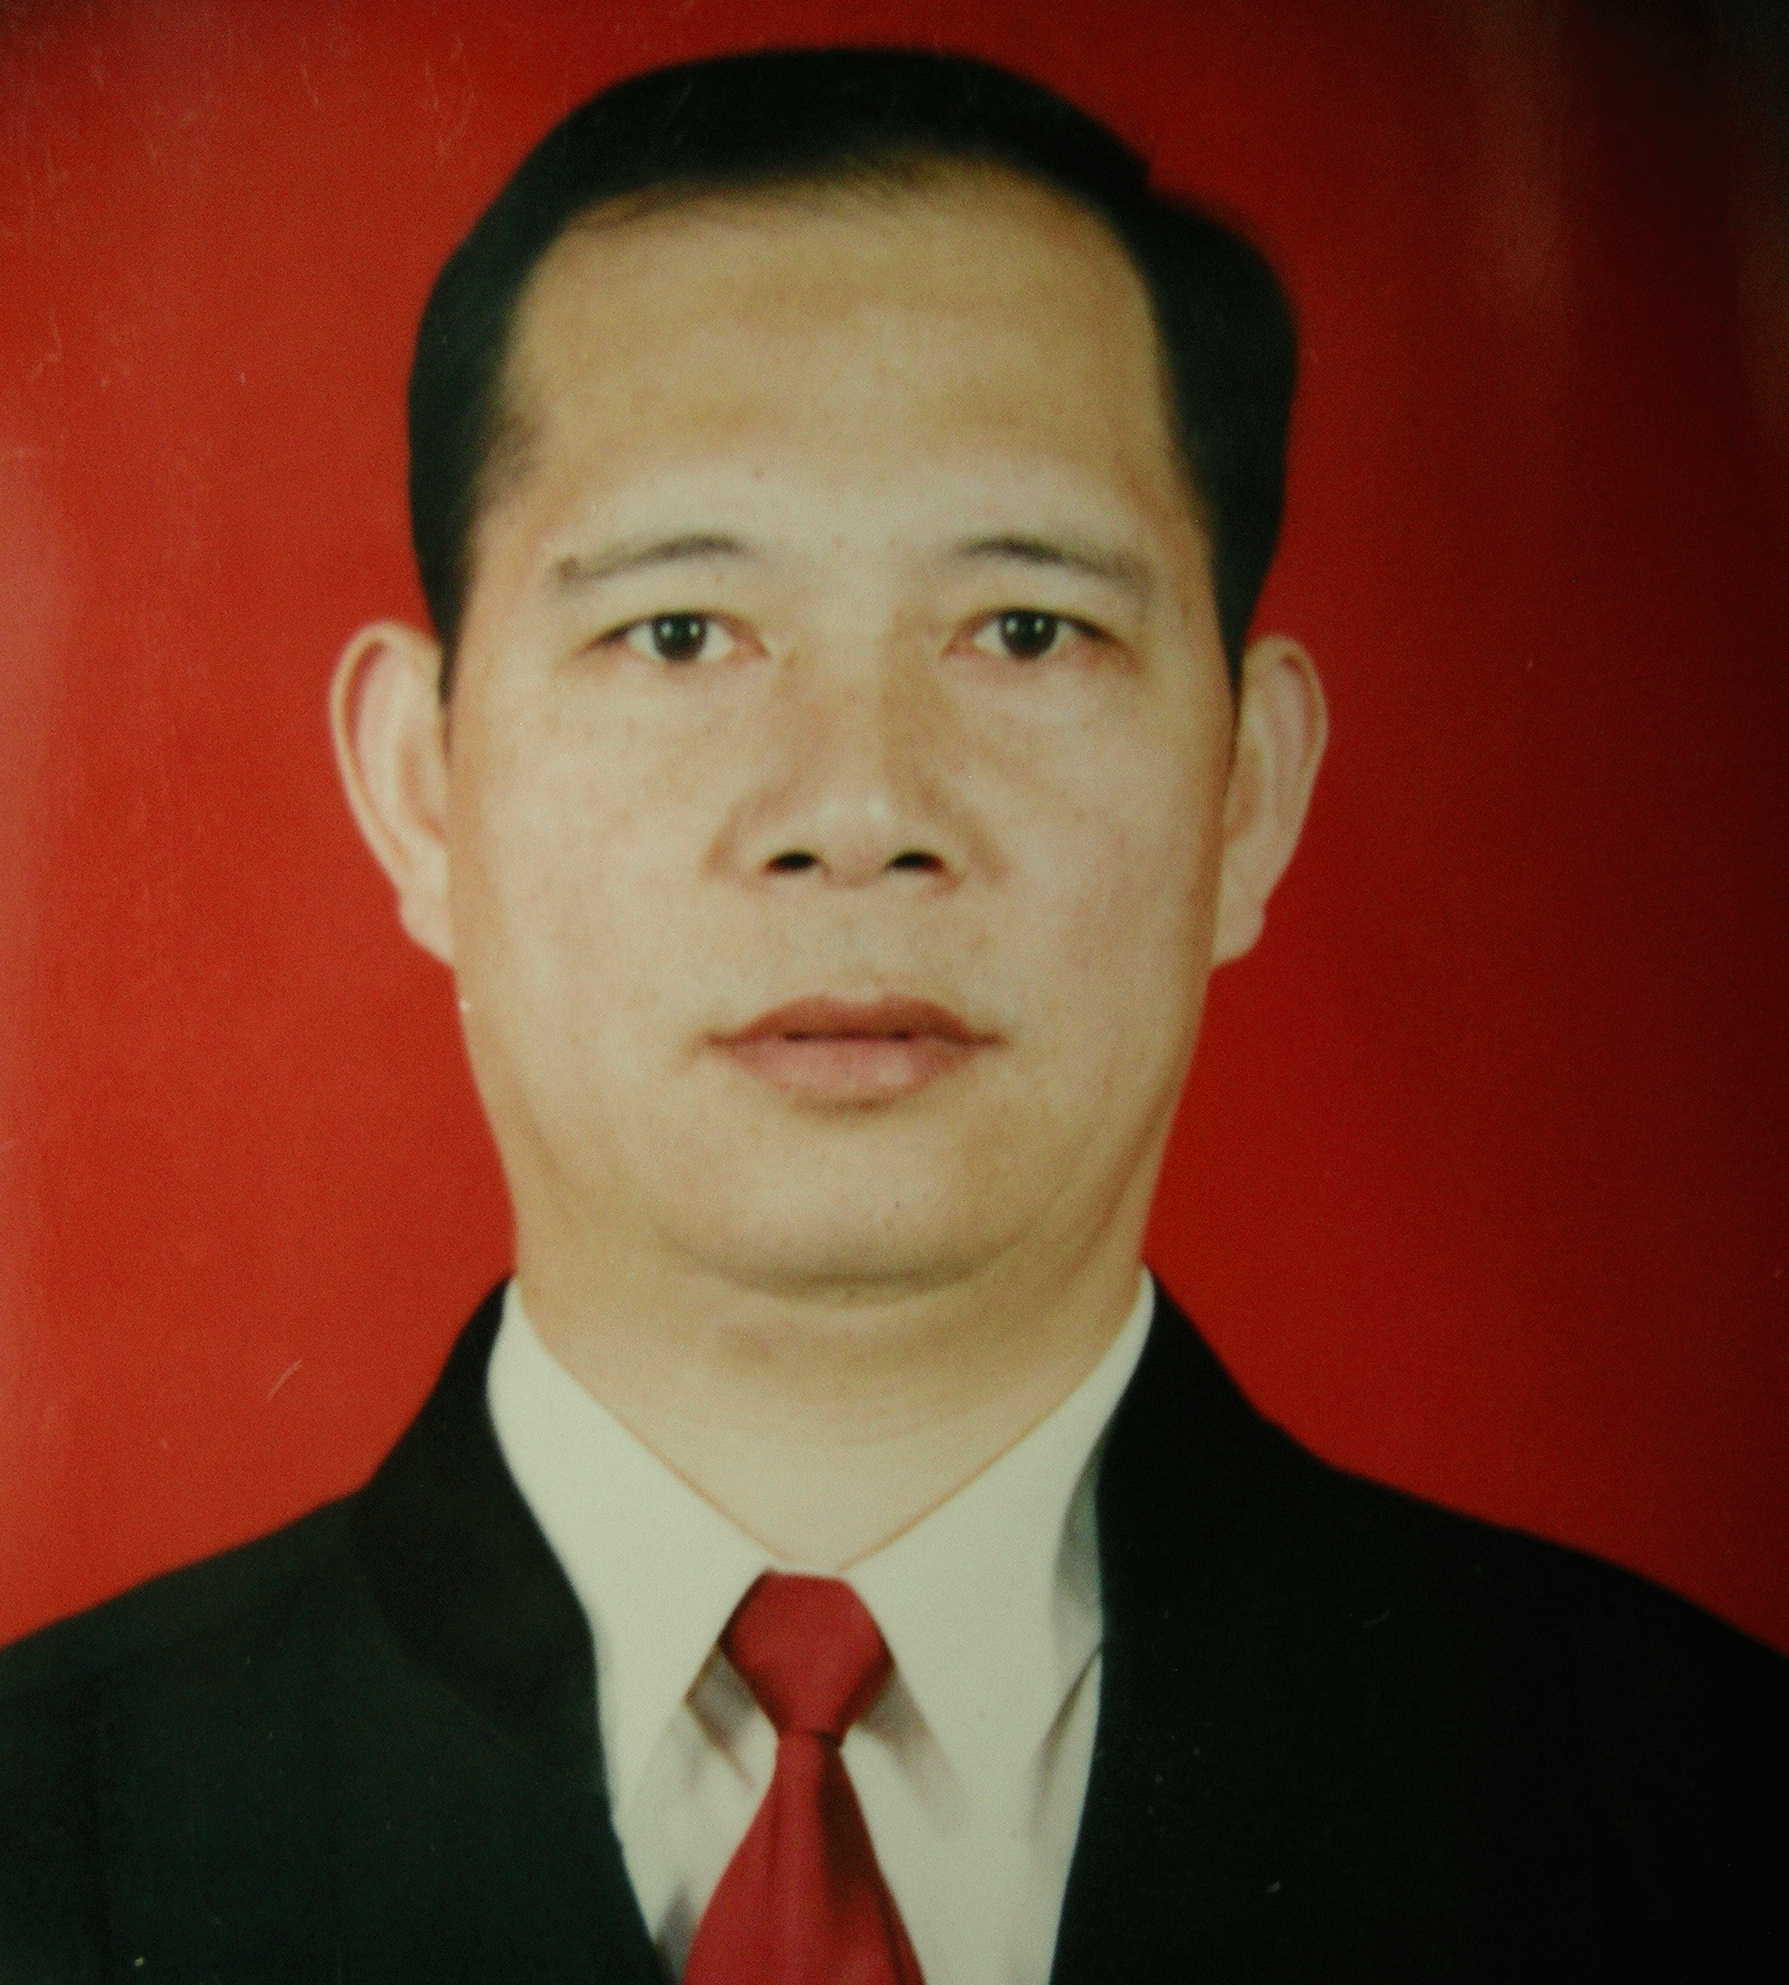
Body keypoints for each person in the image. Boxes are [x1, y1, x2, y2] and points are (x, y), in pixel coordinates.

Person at [1, 45, 1780, 1984]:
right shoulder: (46, 1836)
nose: (855, 811)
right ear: (419, 789)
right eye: (678, 632)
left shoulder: (1697, 1818)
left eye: (1025, 630)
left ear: (1248, 792)